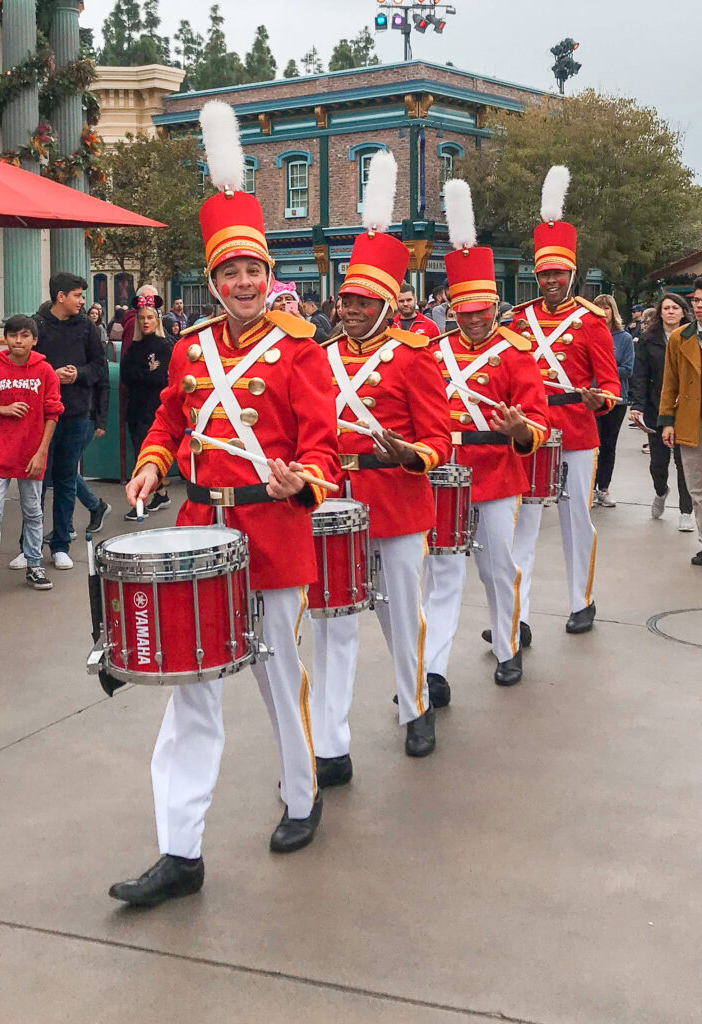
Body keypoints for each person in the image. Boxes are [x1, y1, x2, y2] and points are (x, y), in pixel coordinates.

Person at [110, 100, 340, 909]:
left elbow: (325, 446)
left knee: (280, 676)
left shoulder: (299, 348)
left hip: (273, 529)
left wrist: (299, 479)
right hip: (203, 526)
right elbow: (172, 415)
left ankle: (303, 795)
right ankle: (181, 851)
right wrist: (149, 463)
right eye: (227, 272)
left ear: (266, 273)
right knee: (192, 689)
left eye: (251, 270)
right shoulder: (190, 346)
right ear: (211, 278)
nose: (241, 283)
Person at [309, 150, 452, 786]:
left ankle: (414, 704)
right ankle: (332, 744)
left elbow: (439, 438)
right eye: (345, 301)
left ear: (388, 307)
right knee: (333, 617)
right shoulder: (320, 355)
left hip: (394, 500)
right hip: (332, 500)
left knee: (399, 610)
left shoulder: (415, 357)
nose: (350, 311)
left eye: (363, 303)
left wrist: (410, 455)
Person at [425, 180, 549, 692]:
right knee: (442, 575)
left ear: (494, 305)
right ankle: (431, 671)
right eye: (464, 310)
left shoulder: (517, 352)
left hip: (497, 473)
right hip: (444, 474)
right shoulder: (433, 351)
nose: (473, 319)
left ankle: (507, 647)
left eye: (481, 310)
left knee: (499, 568)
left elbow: (537, 422)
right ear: (453, 306)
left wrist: (520, 429)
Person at [508, 166, 620, 637]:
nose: (550, 280)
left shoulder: (592, 321)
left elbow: (611, 386)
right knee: (523, 526)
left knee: (575, 520)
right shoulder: (519, 319)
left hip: (575, 427)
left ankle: (581, 600)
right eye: (543, 273)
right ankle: (519, 615)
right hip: (533, 432)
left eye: (557, 273)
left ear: (571, 274)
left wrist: (600, 400)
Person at [0, 315, 63, 595]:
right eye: (13, 335)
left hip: (31, 454)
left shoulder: (45, 371)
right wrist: (3, 409)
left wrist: (41, 452)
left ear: (34, 340)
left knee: (33, 511)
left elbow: (53, 413)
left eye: (24, 335)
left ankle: (34, 564)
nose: (18, 341)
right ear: (6, 338)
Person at [32, 272, 107, 570]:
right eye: (77, 295)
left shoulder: (87, 327)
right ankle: (30, 546)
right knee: (35, 483)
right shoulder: (36, 325)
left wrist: (79, 374)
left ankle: (61, 544)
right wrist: (52, 374)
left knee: (65, 480)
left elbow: (99, 366)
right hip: (40, 416)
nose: (82, 301)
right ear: (60, 296)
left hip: (75, 413)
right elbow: (25, 363)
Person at [629, 292, 695, 531]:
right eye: (666, 308)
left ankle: (686, 512)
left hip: (686, 410)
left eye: (675, 308)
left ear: (682, 312)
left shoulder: (692, 336)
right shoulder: (649, 339)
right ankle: (660, 491)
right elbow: (640, 376)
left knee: (684, 463)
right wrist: (637, 405)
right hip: (657, 407)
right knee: (659, 463)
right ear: (660, 312)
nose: (670, 312)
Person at [657, 277, 702, 563]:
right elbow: (669, 383)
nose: (699, 306)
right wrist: (667, 421)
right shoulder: (680, 338)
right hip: (691, 421)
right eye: (697, 301)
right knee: (697, 488)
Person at [119, 299, 172, 520]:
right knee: (138, 450)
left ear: (157, 319)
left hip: (155, 408)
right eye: (142, 318)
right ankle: (161, 493)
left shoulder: (164, 345)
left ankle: (141, 501)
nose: (145, 322)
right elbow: (126, 374)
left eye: (150, 317)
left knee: (145, 455)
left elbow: (160, 377)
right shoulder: (134, 346)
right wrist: (145, 372)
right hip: (136, 407)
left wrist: (141, 374)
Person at [592, 294, 634, 507]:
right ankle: (589, 488)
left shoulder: (624, 338)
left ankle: (604, 488)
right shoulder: (588, 334)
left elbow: (627, 369)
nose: (603, 311)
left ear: (613, 311)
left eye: (606, 308)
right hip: (591, 397)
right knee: (593, 445)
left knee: (609, 444)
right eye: (598, 307)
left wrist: (602, 370)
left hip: (616, 400)